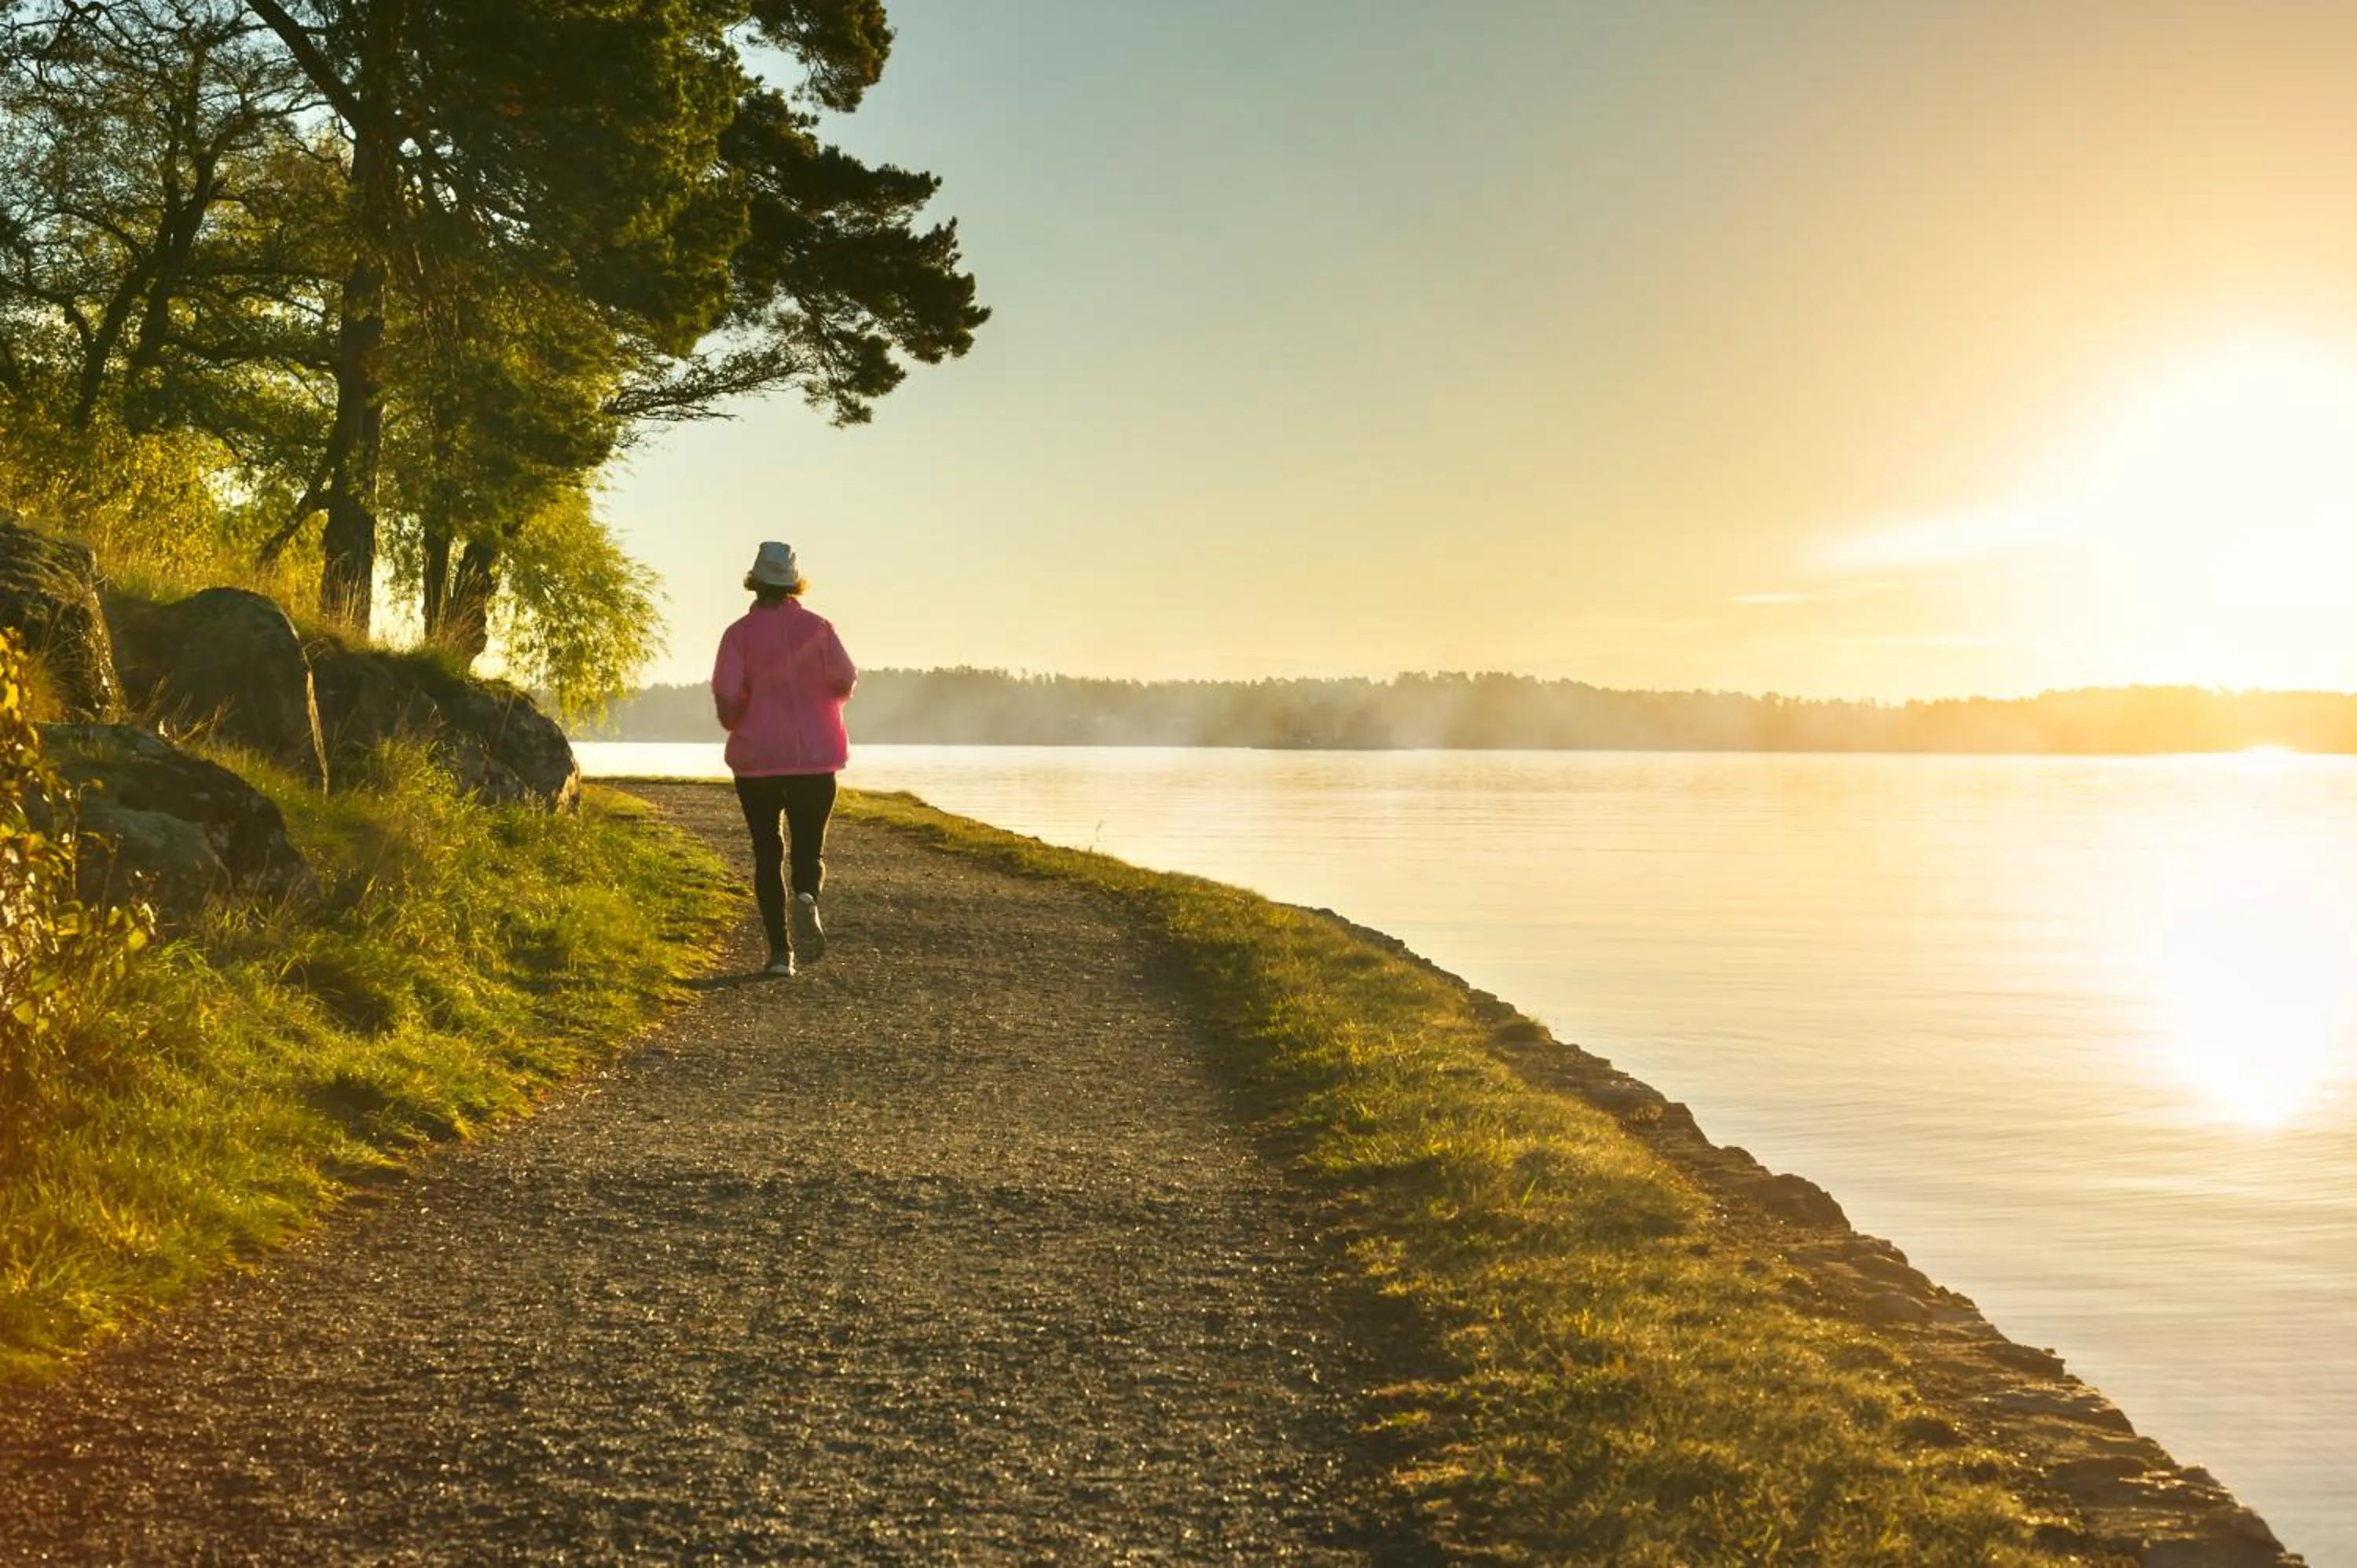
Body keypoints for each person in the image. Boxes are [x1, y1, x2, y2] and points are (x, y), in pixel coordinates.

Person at [712, 541, 857, 977]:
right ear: (794, 583)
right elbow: (845, 678)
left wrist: (736, 719)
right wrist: (827, 702)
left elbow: (726, 691)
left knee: (767, 852)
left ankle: (780, 955)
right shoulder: (820, 629)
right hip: (815, 759)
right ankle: (807, 895)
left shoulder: (738, 635)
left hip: (757, 760)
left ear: (754, 583)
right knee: (808, 848)